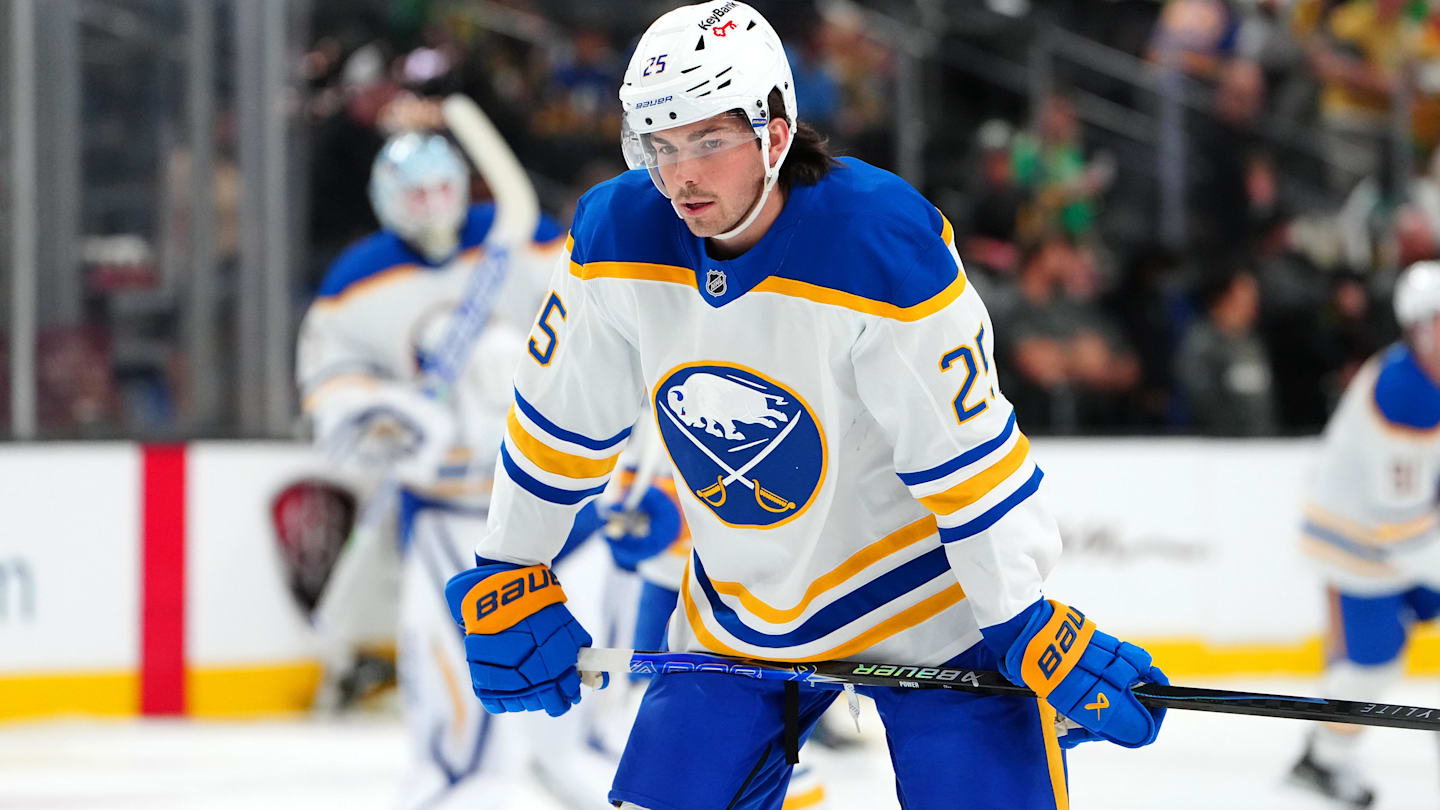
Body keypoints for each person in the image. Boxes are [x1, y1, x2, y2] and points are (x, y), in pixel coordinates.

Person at [442, 4, 1168, 809]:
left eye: (710, 140)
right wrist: (510, 564)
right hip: (738, 617)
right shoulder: (617, 233)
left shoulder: (880, 242)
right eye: (662, 144)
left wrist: (1023, 616)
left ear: (776, 132)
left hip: (929, 610)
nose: (682, 174)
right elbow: (558, 422)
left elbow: (965, 461)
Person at [296, 130, 585, 809]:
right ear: (386, 200)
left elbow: (591, 327)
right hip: (438, 512)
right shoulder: (356, 279)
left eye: (441, 188)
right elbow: (330, 389)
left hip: (553, 512)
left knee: (574, 691)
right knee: (443, 675)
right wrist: (382, 416)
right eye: (414, 193)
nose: (431, 206)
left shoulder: (526, 238)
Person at [1288, 261, 1440, 809]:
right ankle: (1323, 756)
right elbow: (1404, 531)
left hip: (1400, 536)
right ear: (1420, 327)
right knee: (1374, 666)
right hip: (1358, 547)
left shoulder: (1426, 376)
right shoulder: (1404, 393)